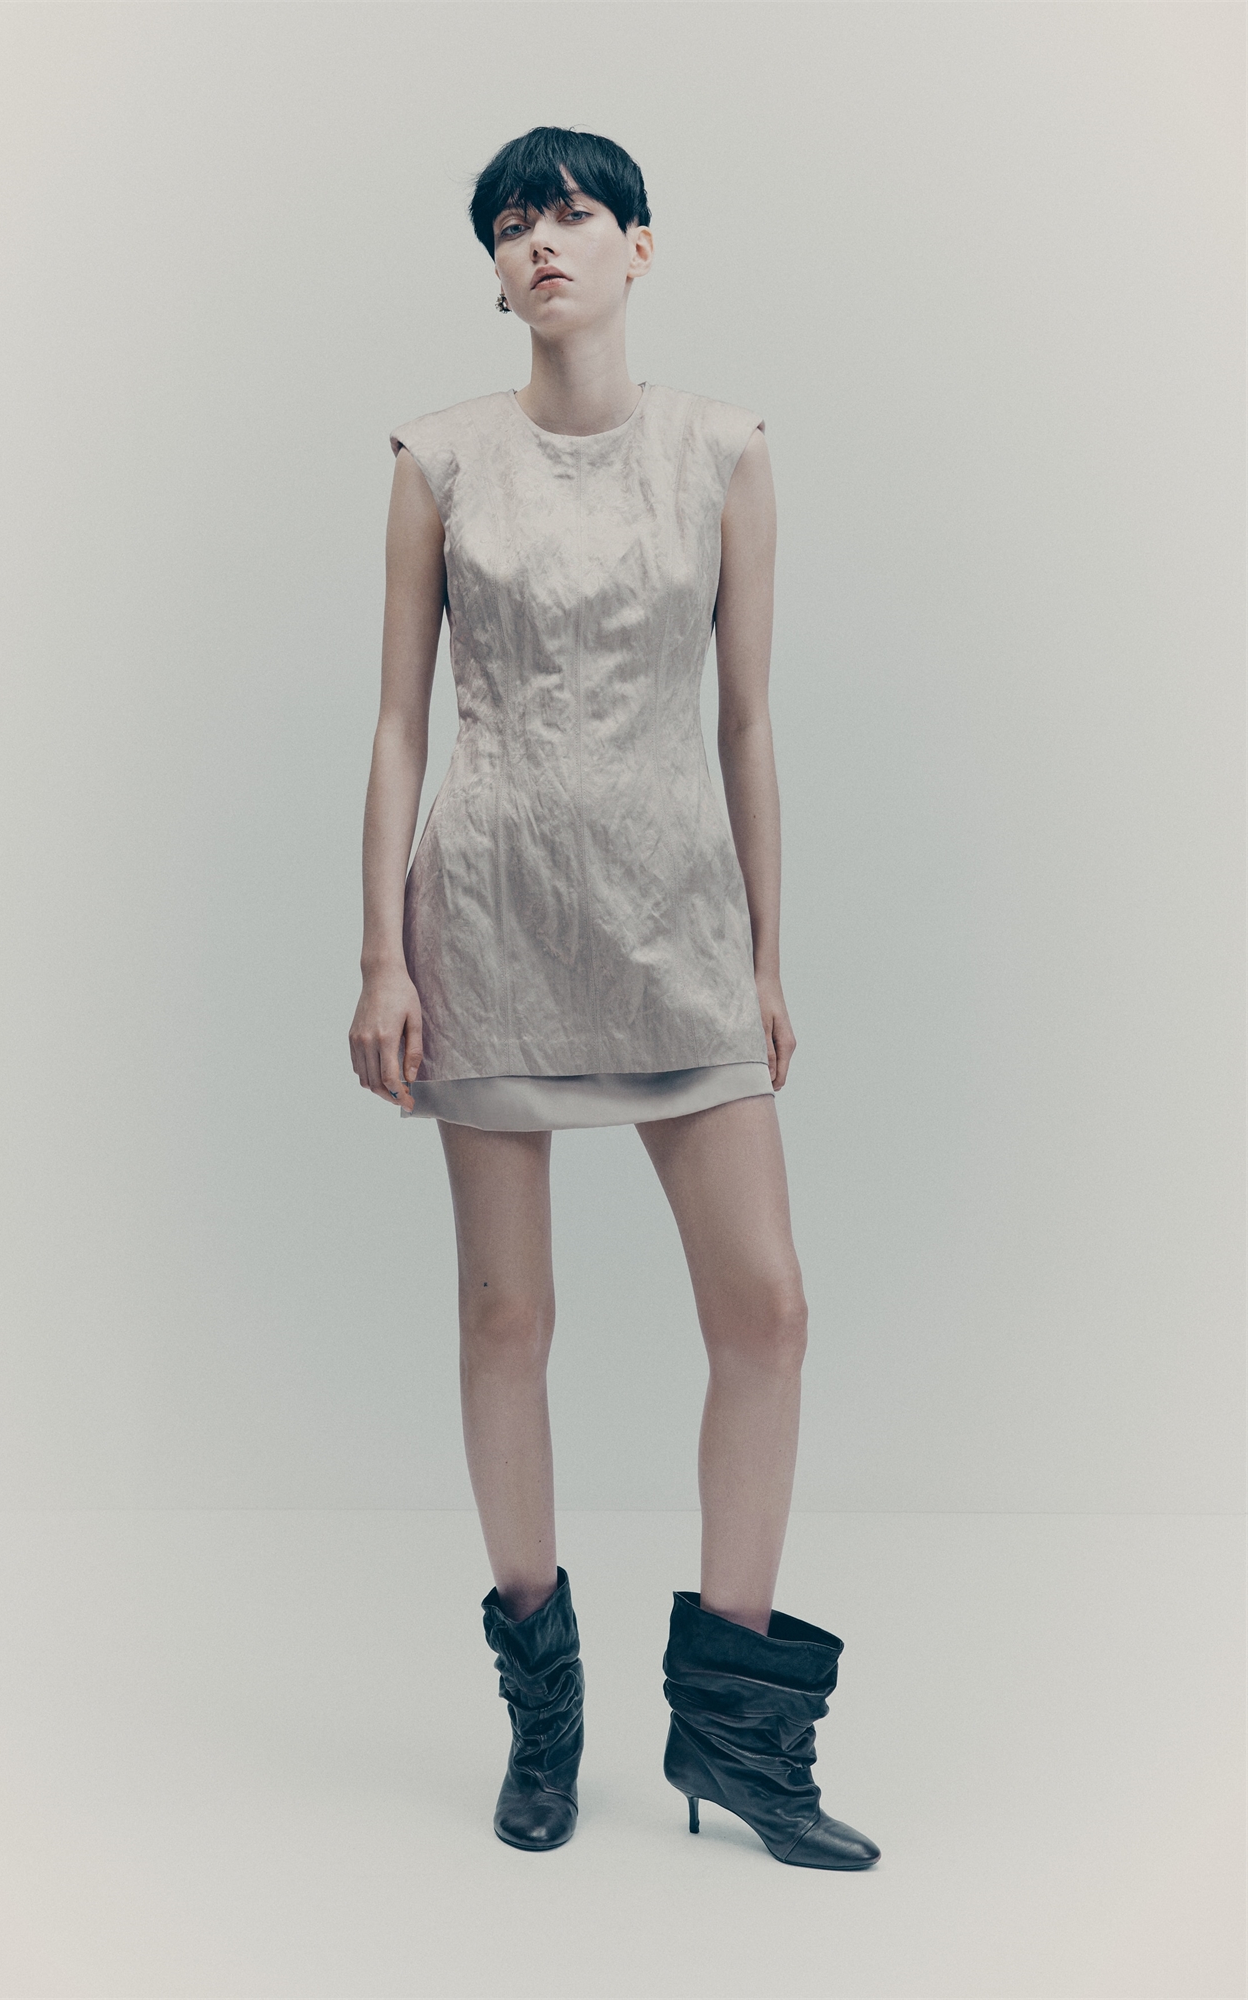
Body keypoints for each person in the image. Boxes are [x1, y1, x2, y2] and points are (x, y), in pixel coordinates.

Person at [349, 126, 879, 1871]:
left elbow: (747, 721)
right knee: (506, 1317)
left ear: (640, 244)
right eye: (513, 223)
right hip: (489, 916)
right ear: (493, 271)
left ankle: (737, 1730)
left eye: (574, 211)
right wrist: (379, 956)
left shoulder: (722, 451)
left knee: (768, 1312)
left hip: (674, 921)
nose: (543, 241)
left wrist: (768, 956)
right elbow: (399, 724)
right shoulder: (438, 460)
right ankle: (542, 1710)